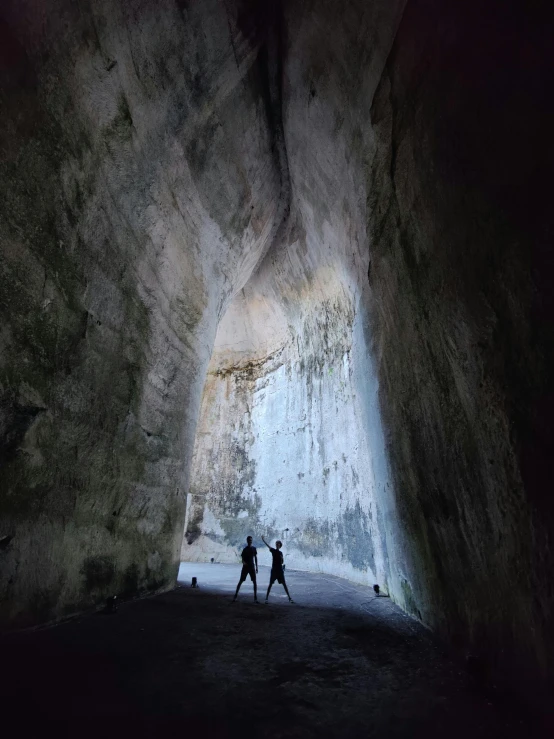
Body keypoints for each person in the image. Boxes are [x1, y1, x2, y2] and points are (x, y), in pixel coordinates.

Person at [261, 536, 294, 604]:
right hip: (274, 570)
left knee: (284, 584)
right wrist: (263, 540)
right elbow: (268, 546)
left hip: (279, 570)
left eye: (278, 544)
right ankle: (266, 598)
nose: (277, 545)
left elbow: (282, 562)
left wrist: (281, 558)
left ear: (280, 545)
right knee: (270, 584)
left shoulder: (280, 553)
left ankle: (289, 598)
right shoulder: (273, 550)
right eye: (276, 544)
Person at [233, 535, 259, 602]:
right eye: (249, 540)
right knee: (241, 581)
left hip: (252, 567)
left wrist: (256, 567)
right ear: (247, 541)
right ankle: (235, 595)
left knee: (254, 582)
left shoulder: (254, 549)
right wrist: (244, 562)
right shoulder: (245, 549)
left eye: (251, 540)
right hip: (246, 567)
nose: (250, 541)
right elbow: (242, 559)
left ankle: (255, 598)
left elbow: (255, 558)